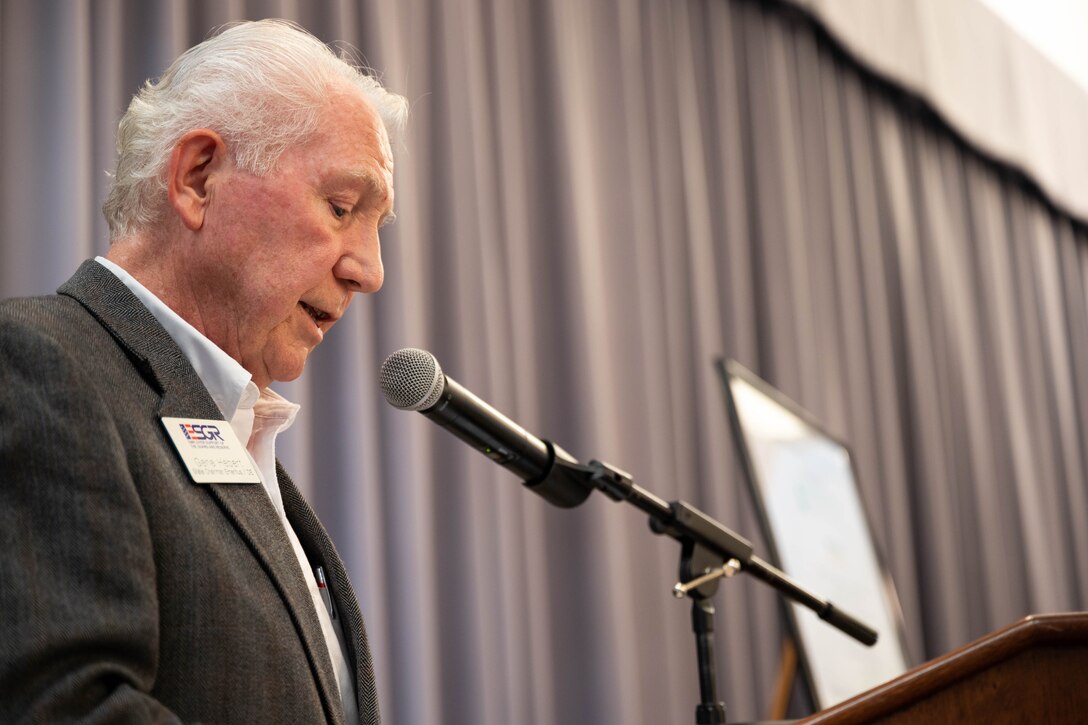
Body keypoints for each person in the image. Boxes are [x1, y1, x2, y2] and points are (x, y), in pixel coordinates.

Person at [0, 19, 406, 724]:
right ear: (197, 178)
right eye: (342, 208)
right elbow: (67, 705)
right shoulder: (39, 364)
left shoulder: (234, 425)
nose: (370, 271)